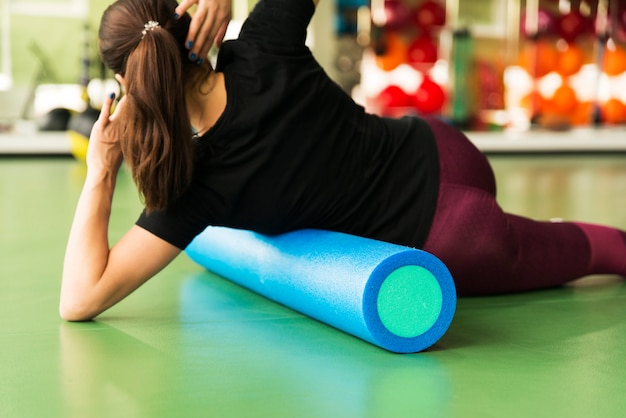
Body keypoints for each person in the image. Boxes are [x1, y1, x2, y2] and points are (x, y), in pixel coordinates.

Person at [60, 0, 626, 321]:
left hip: (450, 239)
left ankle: (534, 236)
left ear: (123, 82)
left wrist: (102, 172)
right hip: (444, 149)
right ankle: (535, 234)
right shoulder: (262, 43)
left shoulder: (196, 188)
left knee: (596, 252)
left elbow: (80, 300)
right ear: (189, 25)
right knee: (598, 247)